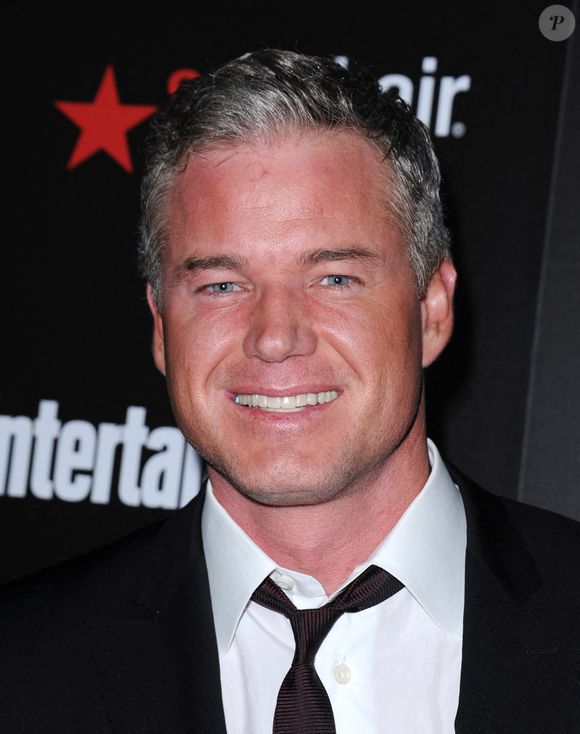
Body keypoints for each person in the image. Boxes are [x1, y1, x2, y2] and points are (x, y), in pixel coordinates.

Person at [1, 49, 579, 734]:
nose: (274, 338)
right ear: (160, 327)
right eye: (221, 284)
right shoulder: (22, 668)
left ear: (431, 309)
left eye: (333, 278)